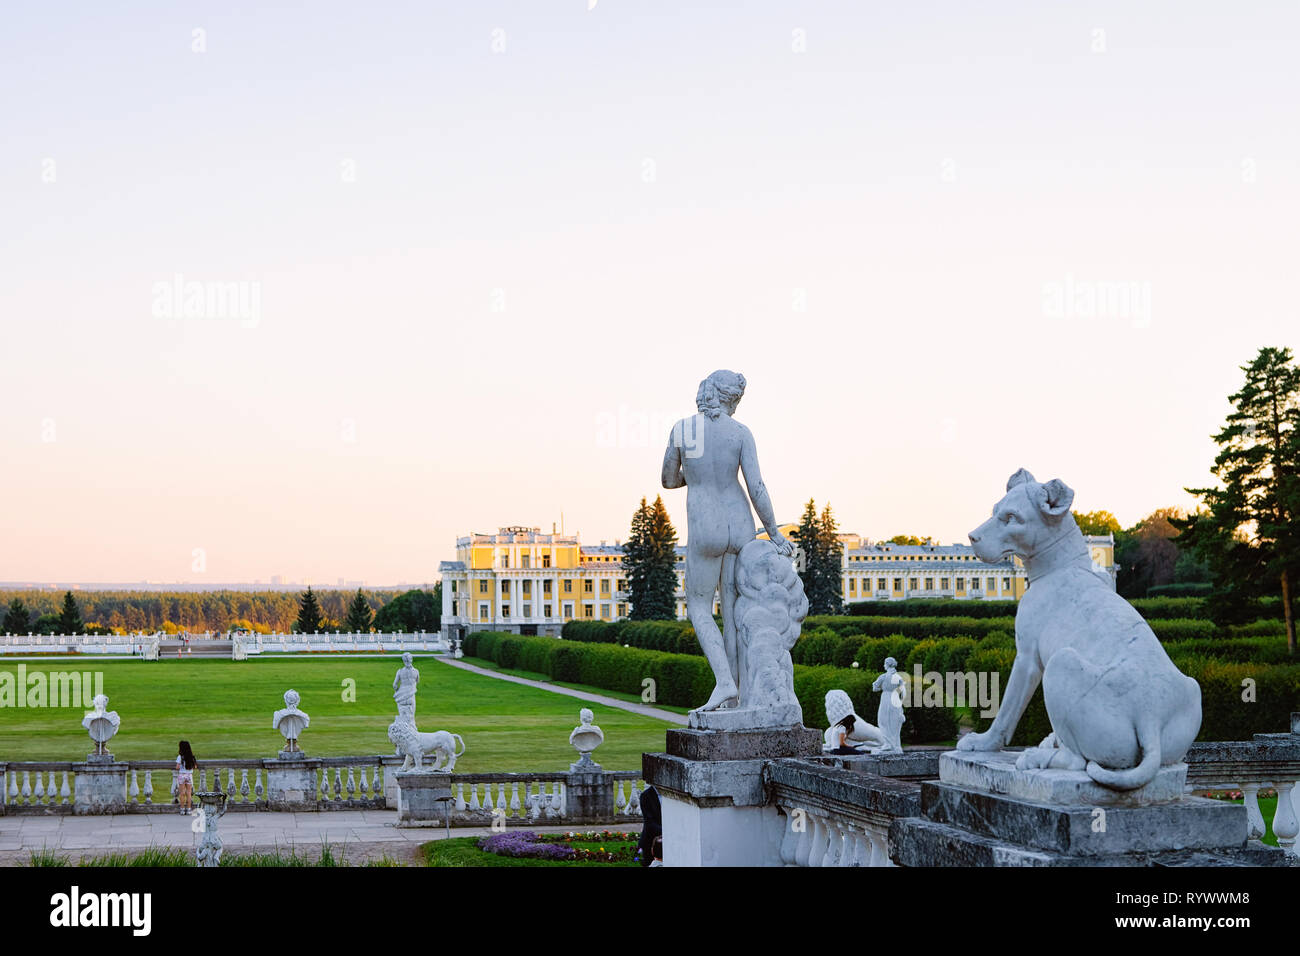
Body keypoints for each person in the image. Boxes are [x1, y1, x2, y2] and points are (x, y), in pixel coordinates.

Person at [662, 370, 793, 715]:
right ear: (729, 397)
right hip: (741, 523)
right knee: (736, 614)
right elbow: (757, 488)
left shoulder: (684, 429)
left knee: (701, 609)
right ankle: (740, 696)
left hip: (706, 525)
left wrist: (695, 475)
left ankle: (724, 682)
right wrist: (775, 534)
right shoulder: (741, 433)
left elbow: (667, 479)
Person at [636, 785, 662, 867]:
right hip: (650, 842)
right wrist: (667, 832)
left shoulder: (670, 793)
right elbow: (649, 822)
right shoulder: (646, 795)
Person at [176, 740, 197, 814]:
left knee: (182, 793)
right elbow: (195, 766)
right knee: (188, 793)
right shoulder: (191, 757)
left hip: (182, 775)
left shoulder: (180, 757)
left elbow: (177, 767)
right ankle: (188, 809)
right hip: (189, 775)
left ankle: (182, 809)